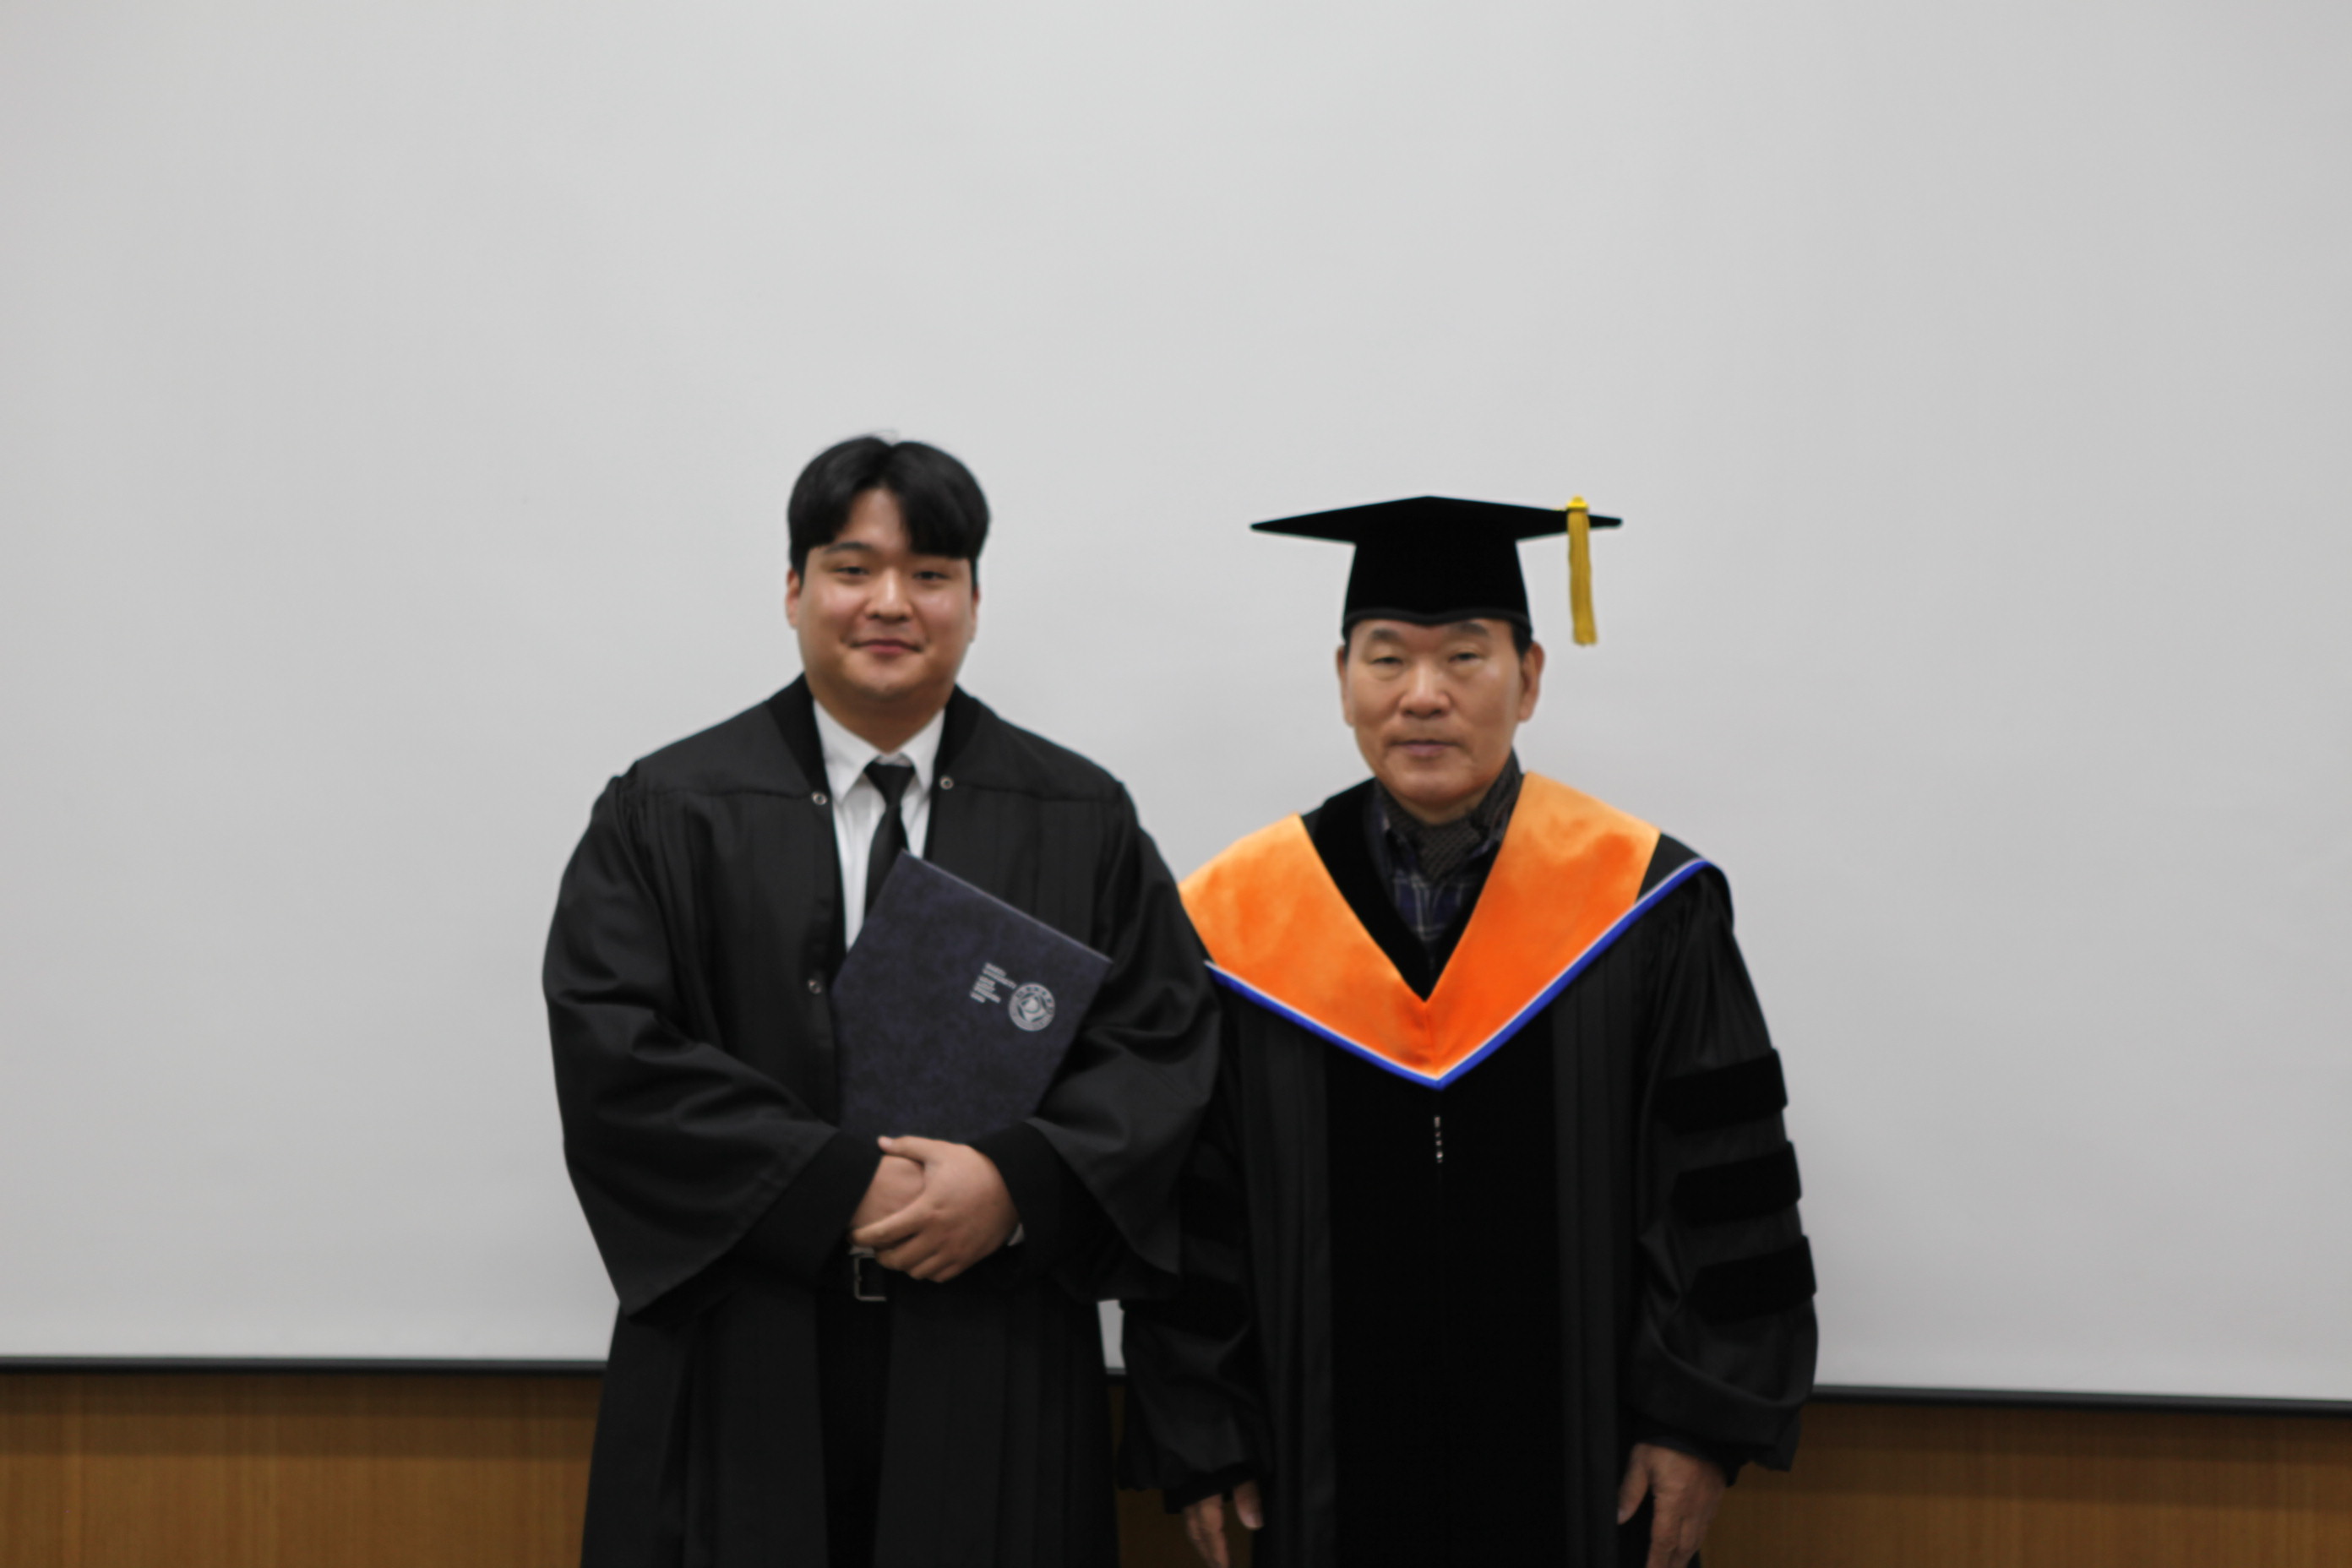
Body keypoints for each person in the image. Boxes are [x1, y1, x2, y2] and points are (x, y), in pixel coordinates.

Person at [545, 436, 1219, 1567]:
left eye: (931, 573)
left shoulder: (1079, 815)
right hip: (743, 1341)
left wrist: (1016, 1182)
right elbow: (617, 1054)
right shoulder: (668, 808)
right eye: (853, 569)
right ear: (794, 588)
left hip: (990, 1341)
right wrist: (837, 1185)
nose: (891, 603)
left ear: (974, 600)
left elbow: (1160, 1049)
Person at [1118, 497, 1816, 1568]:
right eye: (1387, 657)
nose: (1423, 694)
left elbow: (1718, 1192)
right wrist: (1206, 1431)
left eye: (1464, 656)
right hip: (1322, 1473)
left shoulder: (1646, 903)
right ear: (1343, 678)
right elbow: (1195, 1207)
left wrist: (1696, 1421)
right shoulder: (1236, 921)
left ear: (1528, 678)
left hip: (1586, 1473)